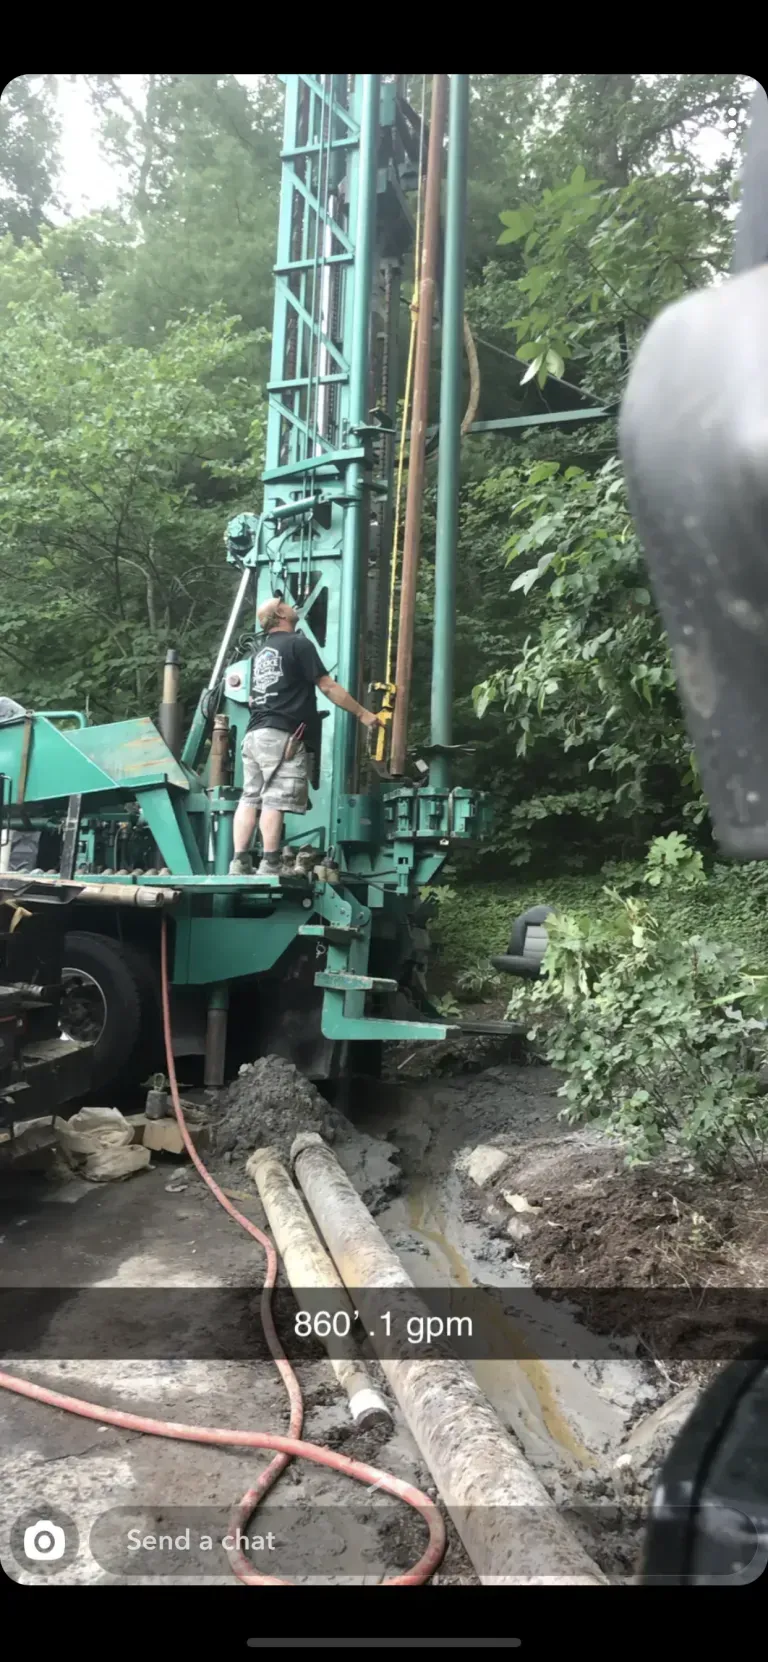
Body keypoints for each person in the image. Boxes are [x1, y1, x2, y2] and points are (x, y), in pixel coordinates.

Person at [229, 596, 382, 876]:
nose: (291, 605)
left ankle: (239, 862)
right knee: (274, 799)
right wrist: (362, 714)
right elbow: (327, 686)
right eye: (284, 603)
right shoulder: (299, 644)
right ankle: (271, 863)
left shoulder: (260, 654)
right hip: (281, 735)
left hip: (254, 734)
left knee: (250, 797)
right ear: (280, 614)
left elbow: (253, 700)